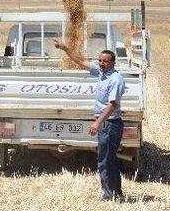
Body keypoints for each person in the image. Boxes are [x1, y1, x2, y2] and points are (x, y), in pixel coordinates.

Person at [54, 40, 126, 202]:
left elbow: (112, 105)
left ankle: (110, 195)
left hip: (110, 125)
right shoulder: (102, 73)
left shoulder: (115, 79)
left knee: (105, 161)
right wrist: (66, 48)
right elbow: (80, 61)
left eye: (105, 61)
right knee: (109, 160)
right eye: (100, 60)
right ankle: (115, 194)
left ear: (113, 63)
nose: (101, 63)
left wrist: (97, 123)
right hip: (106, 124)